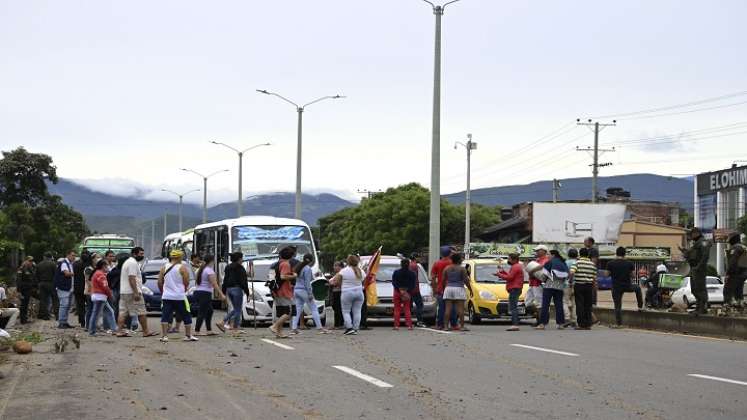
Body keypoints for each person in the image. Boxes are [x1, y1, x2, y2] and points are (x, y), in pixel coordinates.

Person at [158, 249, 197, 342]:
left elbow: (159, 282)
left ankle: (164, 336)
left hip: (167, 296)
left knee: (165, 315)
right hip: (180, 296)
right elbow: (186, 282)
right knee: (186, 314)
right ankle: (188, 335)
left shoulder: (164, 267)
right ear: (179, 257)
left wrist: (163, 292)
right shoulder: (182, 268)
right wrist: (184, 288)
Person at [117, 247, 157, 338]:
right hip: (132, 292)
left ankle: (119, 331)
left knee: (123, 312)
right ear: (134, 254)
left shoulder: (128, 262)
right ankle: (146, 331)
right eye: (140, 254)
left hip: (124, 291)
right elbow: (132, 278)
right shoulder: (132, 263)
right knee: (141, 311)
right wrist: (136, 292)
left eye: (143, 254)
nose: (142, 256)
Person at [606, 247, 644, 328]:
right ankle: (640, 306)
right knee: (637, 288)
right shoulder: (629, 263)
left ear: (616, 253)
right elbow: (633, 276)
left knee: (617, 305)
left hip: (616, 287)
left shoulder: (610, 263)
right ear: (624, 254)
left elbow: (606, 275)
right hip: (627, 286)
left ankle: (619, 324)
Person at [330, 255, 365, 335]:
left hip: (347, 292)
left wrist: (339, 284)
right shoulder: (361, 271)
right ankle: (355, 328)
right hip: (359, 292)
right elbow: (363, 281)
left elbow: (336, 281)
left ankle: (349, 328)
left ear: (348, 262)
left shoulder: (344, 271)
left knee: (346, 311)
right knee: (357, 311)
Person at [291, 253, 326, 334]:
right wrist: (310, 293)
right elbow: (307, 282)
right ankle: (320, 328)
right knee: (314, 308)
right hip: (304, 291)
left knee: (298, 309)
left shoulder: (298, 267)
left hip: (296, 290)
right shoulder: (307, 268)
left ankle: (294, 328)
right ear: (311, 260)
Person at [680, 227, 711, 315]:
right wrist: (684, 251)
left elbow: (705, 256)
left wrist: (698, 266)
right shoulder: (695, 244)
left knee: (700, 289)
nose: (691, 236)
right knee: (694, 289)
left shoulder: (703, 242)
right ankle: (698, 307)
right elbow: (691, 255)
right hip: (693, 269)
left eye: (692, 234)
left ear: (696, 233)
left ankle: (702, 308)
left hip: (699, 269)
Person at [268, 247, 297, 338]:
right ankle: (275, 326)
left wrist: (272, 290)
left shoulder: (276, 264)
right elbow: (283, 277)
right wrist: (294, 276)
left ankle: (279, 333)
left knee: (281, 313)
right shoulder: (285, 264)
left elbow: (270, 278)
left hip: (276, 291)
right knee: (290, 312)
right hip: (284, 291)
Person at [219, 252, 251, 333]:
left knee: (236, 309)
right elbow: (244, 281)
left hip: (229, 289)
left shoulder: (228, 267)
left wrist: (223, 292)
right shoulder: (240, 268)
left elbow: (225, 280)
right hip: (237, 289)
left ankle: (223, 323)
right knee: (238, 310)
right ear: (239, 259)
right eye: (242, 258)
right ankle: (235, 327)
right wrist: (247, 293)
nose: (242, 260)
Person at [536, 249, 568, 330]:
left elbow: (544, 276)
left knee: (545, 305)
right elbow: (566, 275)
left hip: (549, 286)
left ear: (553, 255)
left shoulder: (549, 262)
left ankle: (542, 324)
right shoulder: (563, 263)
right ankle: (560, 324)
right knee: (559, 305)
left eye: (549, 254)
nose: (547, 256)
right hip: (559, 287)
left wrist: (542, 281)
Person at [194, 255, 225, 336]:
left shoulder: (200, 269)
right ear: (211, 261)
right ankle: (197, 331)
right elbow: (214, 284)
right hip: (205, 293)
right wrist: (221, 294)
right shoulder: (209, 271)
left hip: (198, 291)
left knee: (209, 311)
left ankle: (209, 330)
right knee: (202, 312)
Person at [441, 253, 472, 332]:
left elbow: (443, 280)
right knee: (460, 309)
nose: (462, 260)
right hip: (459, 288)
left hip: (449, 288)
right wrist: (470, 289)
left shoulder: (447, 268)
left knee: (448, 309)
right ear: (458, 260)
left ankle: (446, 326)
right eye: (461, 258)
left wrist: (444, 288)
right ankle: (462, 326)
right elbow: (466, 280)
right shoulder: (462, 269)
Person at [431, 246, 458, 330]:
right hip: (452, 287)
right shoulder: (453, 263)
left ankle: (440, 324)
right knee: (453, 307)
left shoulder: (436, 263)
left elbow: (433, 278)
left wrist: (434, 289)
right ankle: (454, 324)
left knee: (441, 308)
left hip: (441, 288)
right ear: (450, 253)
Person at [88, 259, 117, 336]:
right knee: (96, 314)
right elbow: (105, 287)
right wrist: (111, 295)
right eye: (107, 265)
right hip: (100, 297)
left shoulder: (97, 273)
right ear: (103, 266)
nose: (108, 267)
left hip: (99, 296)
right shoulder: (101, 274)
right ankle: (92, 331)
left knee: (110, 311)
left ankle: (114, 329)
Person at [497, 253, 525, 331]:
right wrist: (502, 272)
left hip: (514, 288)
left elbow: (509, 277)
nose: (508, 260)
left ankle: (515, 324)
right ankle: (515, 324)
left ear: (514, 260)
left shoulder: (515, 267)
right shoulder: (516, 266)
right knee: (513, 306)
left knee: (513, 307)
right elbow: (510, 276)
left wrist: (499, 274)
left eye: (509, 259)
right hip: (515, 288)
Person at [572, 248, 597, 330]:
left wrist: (569, 280)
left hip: (579, 285)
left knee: (579, 305)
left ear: (580, 254)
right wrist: (594, 287)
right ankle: (588, 324)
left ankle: (581, 324)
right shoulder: (592, 264)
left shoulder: (577, 263)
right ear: (588, 255)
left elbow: (571, 272)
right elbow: (594, 278)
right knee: (588, 305)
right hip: (589, 287)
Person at [526, 245, 550, 326]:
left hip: (539, 284)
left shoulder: (546, 260)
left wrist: (532, 270)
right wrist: (530, 273)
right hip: (532, 283)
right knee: (528, 303)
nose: (536, 252)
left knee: (539, 303)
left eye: (538, 250)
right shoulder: (537, 260)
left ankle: (541, 321)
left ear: (543, 251)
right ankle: (542, 315)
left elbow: (543, 267)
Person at [392, 258, 416, 331]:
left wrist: (399, 290)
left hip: (397, 292)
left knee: (397, 309)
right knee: (407, 308)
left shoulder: (396, 272)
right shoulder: (412, 273)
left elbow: (394, 282)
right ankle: (409, 325)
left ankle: (396, 326)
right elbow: (413, 284)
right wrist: (406, 291)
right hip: (407, 292)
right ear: (409, 264)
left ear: (401, 264)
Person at [55, 250, 76, 329]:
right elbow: (66, 273)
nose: (74, 257)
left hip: (69, 288)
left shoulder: (70, 264)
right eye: (72, 255)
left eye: (74, 256)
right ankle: (61, 322)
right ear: (67, 255)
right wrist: (75, 273)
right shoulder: (64, 263)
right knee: (64, 305)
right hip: (63, 288)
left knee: (67, 306)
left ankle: (64, 321)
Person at [724, 233, 746, 309]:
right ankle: (740, 306)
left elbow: (732, 262)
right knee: (738, 291)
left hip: (735, 273)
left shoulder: (735, 248)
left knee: (727, 291)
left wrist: (728, 273)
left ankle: (727, 308)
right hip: (743, 273)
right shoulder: (744, 247)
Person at [584, 237, 601, 325]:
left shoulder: (593, 251)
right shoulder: (586, 250)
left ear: (590, 242)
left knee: (592, 285)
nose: (584, 242)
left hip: (591, 271)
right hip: (587, 271)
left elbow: (594, 262)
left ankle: (593, 302)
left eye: (585, 241)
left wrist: (590, 269)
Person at [36, 252, 58, 320]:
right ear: (51, 257)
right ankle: (57, 315)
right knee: (55, 300)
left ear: (44, 257)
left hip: (42, 283)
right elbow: (56, 275)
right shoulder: (53, 264)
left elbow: (36, 275)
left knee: (43, 300)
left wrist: (39, 283)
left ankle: (45, 316)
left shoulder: (39, 264)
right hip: (51, 283)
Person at [15, 256, 36, 325]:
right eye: (29, 261)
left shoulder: (30, 269)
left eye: (31, 261)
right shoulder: (21, 269)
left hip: (28, 289)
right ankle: (22, 320)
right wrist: (19, 291)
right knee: (23, 304)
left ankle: (25, 318)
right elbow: (18, 280)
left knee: (26, 304)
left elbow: (32, 278)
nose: (31, 262)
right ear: (26, 261)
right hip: (23, 289)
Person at [408, 254, 426, 328]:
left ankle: (408, 321)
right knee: (419, 305)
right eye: (418, 257)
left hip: (408, 288)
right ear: (415, 258)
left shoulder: (409, 265)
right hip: (414, 288)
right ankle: (419, 321)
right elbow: (414, 278)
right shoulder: (415, 266)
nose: (419, 258)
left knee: (408, 306)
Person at [72, 251, 89, 328]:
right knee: (89, 305)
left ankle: (82, 321)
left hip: (77, 287)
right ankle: (88, 321)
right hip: (87, 288)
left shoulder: (75, 264)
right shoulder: (89, 266)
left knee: (80, 305)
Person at [563, 248, 578, 328]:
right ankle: (574, 320)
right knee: (574, 303)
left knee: (564, 302)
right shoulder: (577, 263)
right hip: (577, 285)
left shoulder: (565, 262)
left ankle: (567, 318)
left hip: (566, 284)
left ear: (568, 255)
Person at [330, 261, 345, 329]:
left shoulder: (340, 274)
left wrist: (330, 283)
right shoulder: (337, 274)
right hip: (336, 292)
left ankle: (338, 324)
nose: (334, 267)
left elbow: (337, 283)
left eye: (336, 266)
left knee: (338, 308)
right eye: (334, 265)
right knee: (336, 308)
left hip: (338, 292)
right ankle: (338, 324)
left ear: (340, 267)